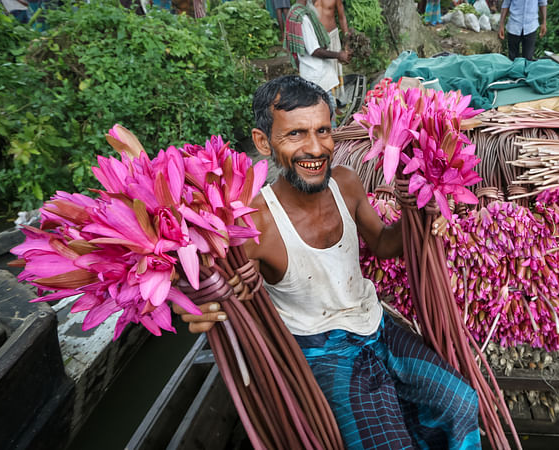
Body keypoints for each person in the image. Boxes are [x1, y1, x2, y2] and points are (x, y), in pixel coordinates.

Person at [175, 75, 482, 449]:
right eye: (296, 135)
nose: (316, 148)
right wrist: (197, 306)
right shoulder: (255, 222)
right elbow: (211, 283)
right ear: (263, 142)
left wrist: (417, 215)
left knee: (462, 404)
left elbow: (384, 244)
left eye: (323, 131)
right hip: (321, 350)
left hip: (374, 323)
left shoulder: (347, 183)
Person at [283, 0, 349, 121]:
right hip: (318, 76)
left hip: (309, 73)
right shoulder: (303, 18)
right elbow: (314, 50)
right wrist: (338, 55)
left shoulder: (294, 12)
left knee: (320, 113)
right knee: (328, 115)